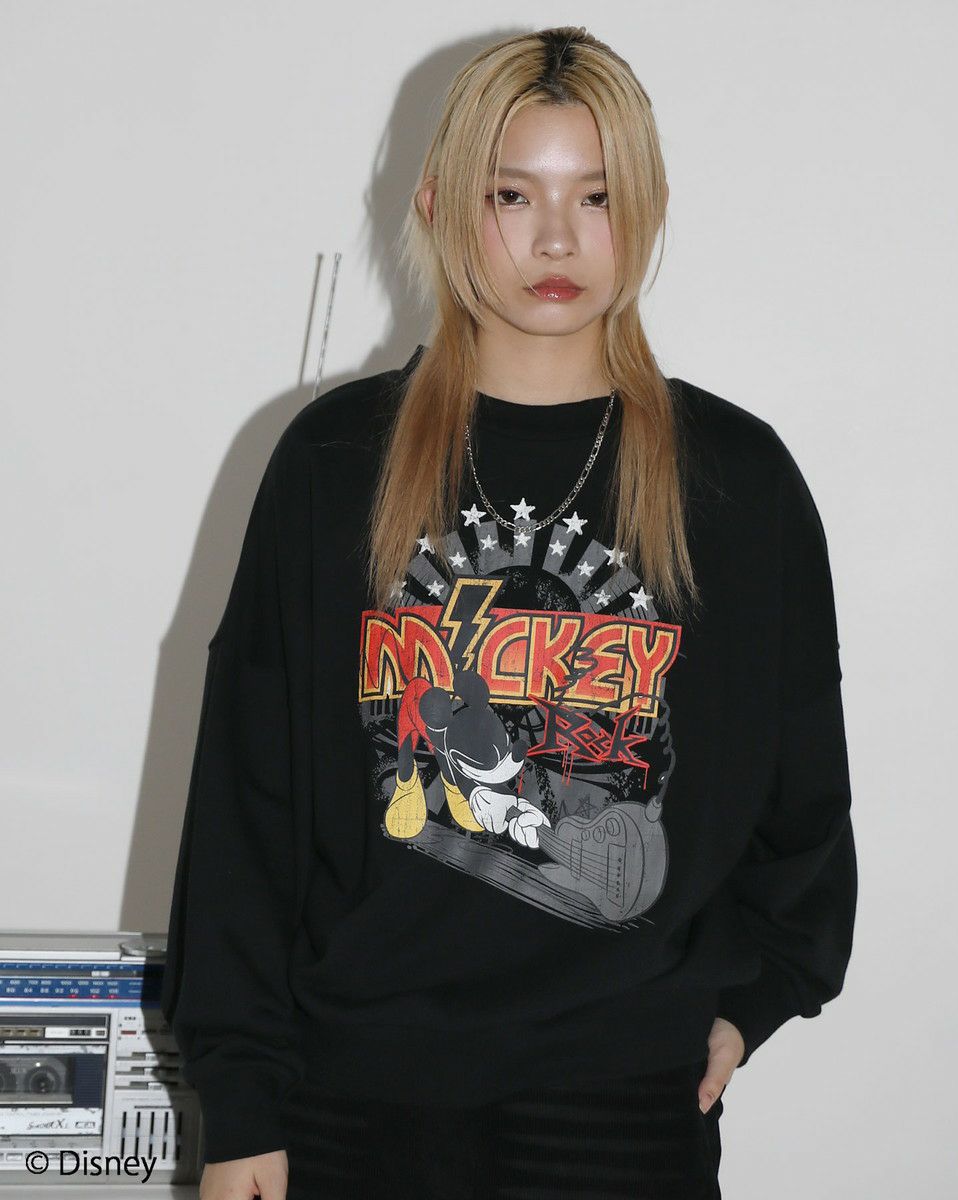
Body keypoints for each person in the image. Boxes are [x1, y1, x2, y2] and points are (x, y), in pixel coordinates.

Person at [161, 25, 857, 1200]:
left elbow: (804, 794)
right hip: (347, 1102)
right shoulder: (334, 460)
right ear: (440, 205)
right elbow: (244, 806)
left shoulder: (735, 481)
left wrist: (753, 999)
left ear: (648, 209)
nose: (555, 238)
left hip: (618, 1111)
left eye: (596, 195)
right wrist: (239, 1104)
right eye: (511, 193)